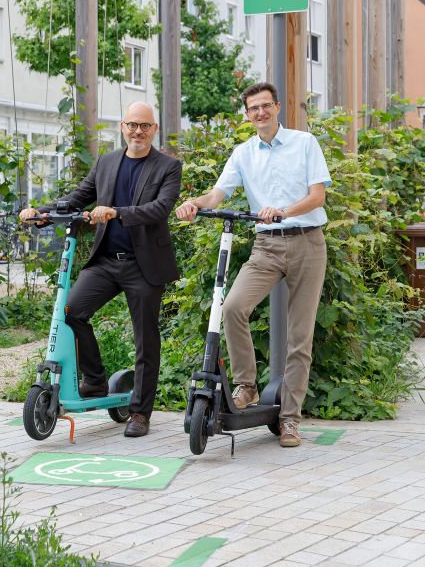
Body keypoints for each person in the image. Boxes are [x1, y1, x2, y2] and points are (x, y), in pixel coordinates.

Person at [176, 82, 330, 448]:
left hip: (308, 241)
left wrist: (283, 210)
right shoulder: (243, 153)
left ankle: (290, 419)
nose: (260, 113)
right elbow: (219, 193)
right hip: (266, 246)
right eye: (253, 109)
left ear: (277, 107)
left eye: (265, 106)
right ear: (246, 115)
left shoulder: (304, 143)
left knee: (299, 337)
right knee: (232, 308)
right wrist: (195, 203)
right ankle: (246, 385)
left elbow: (317, 196)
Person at [20, 102, 182, 438]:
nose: (137, 131)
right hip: (107, 261)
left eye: (145, 126)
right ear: (122, 127)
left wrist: (117, 212)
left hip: (144, 265)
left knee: (145, 341)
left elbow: (160, 209)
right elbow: (79, 197)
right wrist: (43, 212)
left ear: (154, 129)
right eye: (131, 125)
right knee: (71, 312)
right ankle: (94, 380)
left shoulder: (168, 167)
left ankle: (139, 413)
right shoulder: (108, 162)